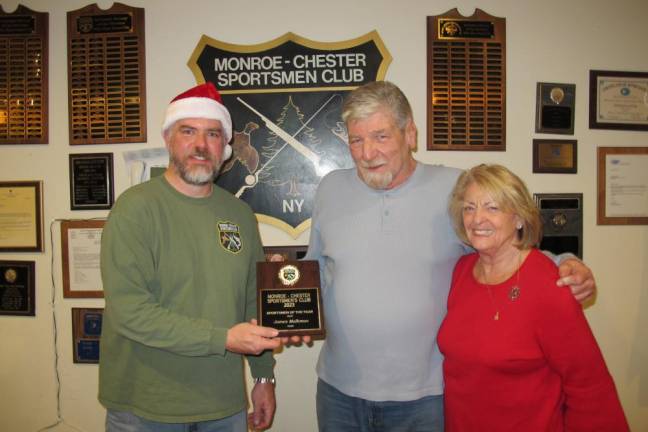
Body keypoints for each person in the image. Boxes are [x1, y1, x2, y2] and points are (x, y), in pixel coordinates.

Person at [305, 81, 596, 432]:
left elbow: (505, 244)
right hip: (339, 392)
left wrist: (564, 260)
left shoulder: (454, 188)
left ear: (410, 134)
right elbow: (316, 269)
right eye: (356, 140)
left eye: (381, 136)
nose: (367, 153)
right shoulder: (330, 188)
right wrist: (294, 312)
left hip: (425, 397)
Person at [99, 82, 283, 432]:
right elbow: (130, 312)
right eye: (188, 131)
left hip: (223, 404)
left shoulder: (240, 214)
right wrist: (223, 339)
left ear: (226, 148)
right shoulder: (135, 209)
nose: (200, 145)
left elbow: (251, 302)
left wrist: (264, 378)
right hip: (146, 406)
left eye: (212, 134)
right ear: (169, 139)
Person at [438, 164, 628, 431]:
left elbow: (589, 386)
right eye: (469, 208)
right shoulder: (461, 272)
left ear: (518, 218)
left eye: (492, 207)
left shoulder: (550, 285)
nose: (477, 218)